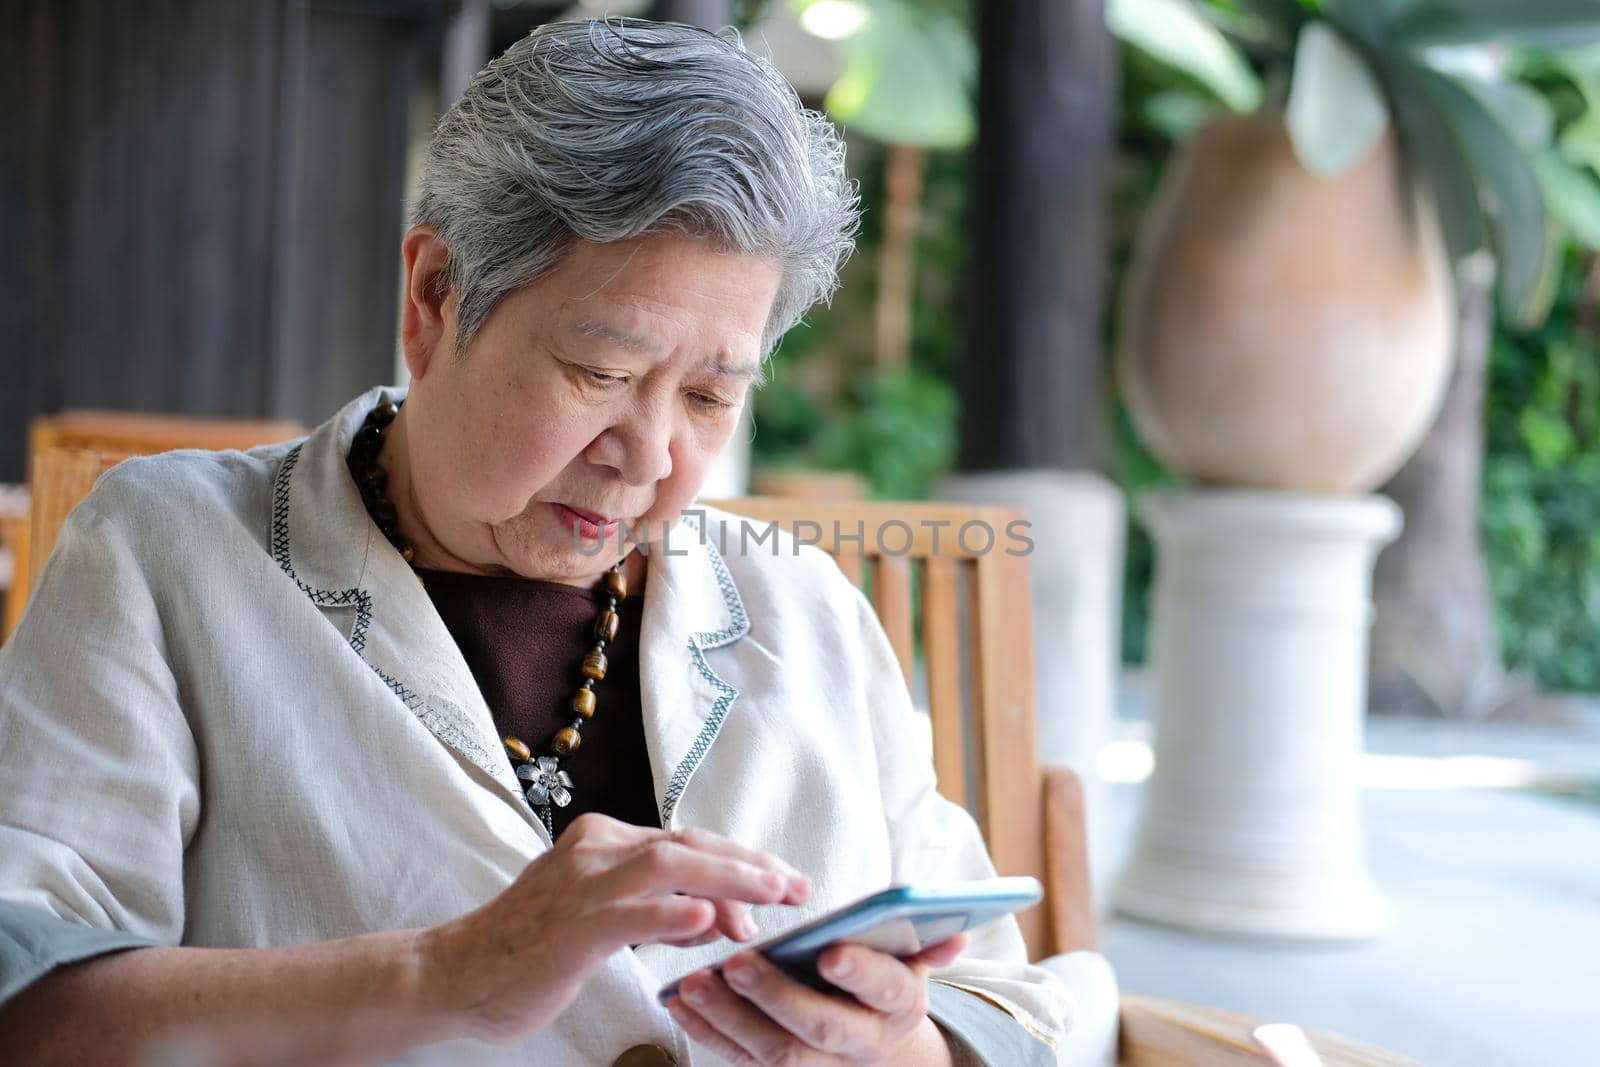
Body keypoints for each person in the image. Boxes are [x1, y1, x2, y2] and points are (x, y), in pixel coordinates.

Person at [0, 18, 1078, 1066]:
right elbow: (29, 997)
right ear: (433, 300)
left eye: (709, 394)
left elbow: (1004, 996)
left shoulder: (804, 606)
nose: (649, 454)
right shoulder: (167, 554)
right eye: (601, 373)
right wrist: (446, 970)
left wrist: (899, 1044)